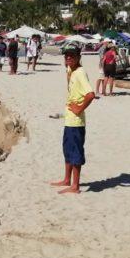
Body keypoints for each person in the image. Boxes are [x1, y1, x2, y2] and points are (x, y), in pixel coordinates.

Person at [50, 47, 95, 194]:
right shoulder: (72, 70)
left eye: (71, 56)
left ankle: (75, 186)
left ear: (78, 57)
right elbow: (70, 80)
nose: (68, 58)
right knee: (67, 150)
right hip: (69, 120)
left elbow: (90, 94)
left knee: (75, 152)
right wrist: (68, 68)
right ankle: (66, 179)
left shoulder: (80, 73)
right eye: (66, 56)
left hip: (76, 122)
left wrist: (79, 108)